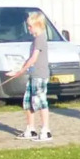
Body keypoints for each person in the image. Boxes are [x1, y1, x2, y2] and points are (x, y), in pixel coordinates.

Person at [6, 11, 52, 142]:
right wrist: (18, 70)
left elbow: (33, 59)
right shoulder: (35, 39)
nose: (29, 28)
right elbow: (30, 59)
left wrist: (20, 71)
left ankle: (45, 130)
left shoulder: (40, 38)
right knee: (28, 102)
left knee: (41, 102)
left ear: (37, 25)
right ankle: (30, 129)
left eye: (30, 26)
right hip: (33, 74)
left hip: (40, 75)